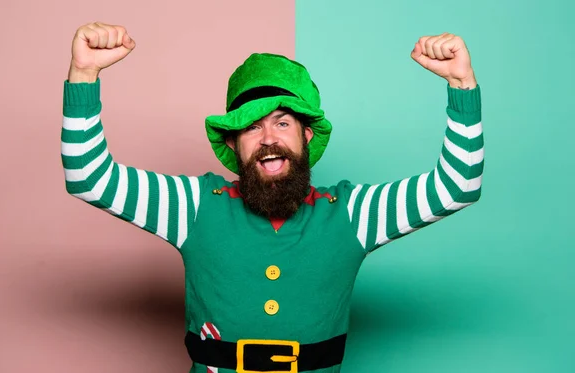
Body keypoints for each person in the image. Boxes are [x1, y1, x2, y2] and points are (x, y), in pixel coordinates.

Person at [62, 22, 483, 373]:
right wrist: (83, 75)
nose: (268, 140)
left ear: (307, 135)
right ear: (234, 144)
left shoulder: (351, 213)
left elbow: (457, 185)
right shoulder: (195, 205)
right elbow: (89, 177)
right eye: (251, 127)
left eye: (282, 123)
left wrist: (462, 85)